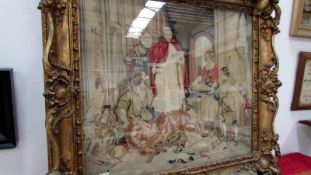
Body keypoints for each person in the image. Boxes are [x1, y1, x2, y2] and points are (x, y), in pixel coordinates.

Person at [149, 26, 189, 113]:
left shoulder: (176, 45)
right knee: (165, 94)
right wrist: (159, 66)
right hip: (163, 75)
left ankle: (174, 112)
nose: (168, 36)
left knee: (174, 94)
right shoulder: (158, 46)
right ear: (163, 35)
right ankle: (165, 113)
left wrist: (180, 58)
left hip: (174, 74)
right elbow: (154, 63)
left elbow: (182, 62)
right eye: (166, 34)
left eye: (169, 34)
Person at [192, 48, 219, 134]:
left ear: (211, 57)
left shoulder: (215, 66)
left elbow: (215, 80)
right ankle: (205, 128)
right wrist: (195, 81)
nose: (207, 59)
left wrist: (212, 88)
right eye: (206, 57)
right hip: (205, 87)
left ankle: (211, 129)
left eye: (208, 57)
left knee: (210, 109)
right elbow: (201, 77)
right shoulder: (205, 67)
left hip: (211, 88)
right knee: (204, 109)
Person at [218, 67, 242, 146]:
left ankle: (225, 137)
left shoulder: (225, 83)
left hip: (227, 105)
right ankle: (235, 139)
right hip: (232, 105)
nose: (220, 75)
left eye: (221, 74)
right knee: (233, 123)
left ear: (224, 74)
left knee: (223, 121)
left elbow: (221, 96)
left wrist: (219, 105)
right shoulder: (230, 82)